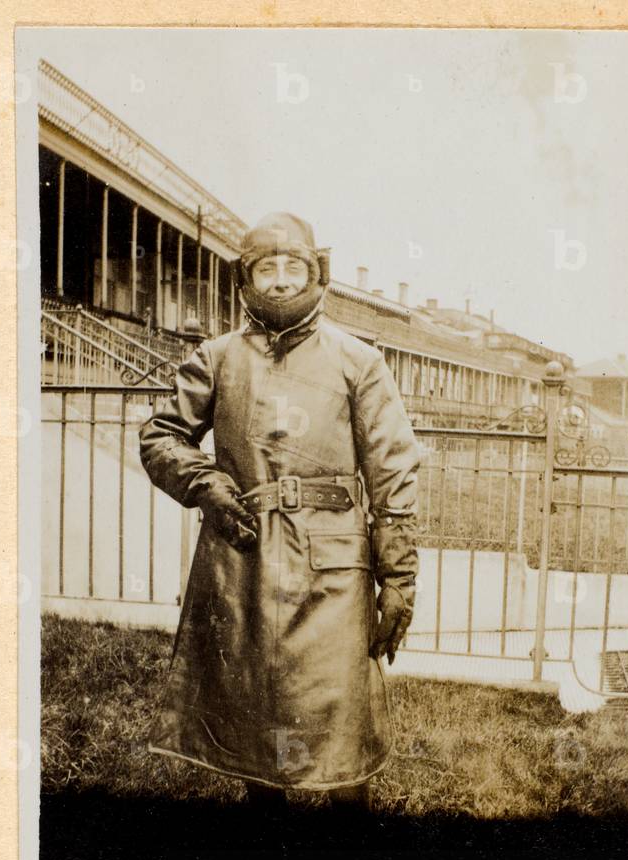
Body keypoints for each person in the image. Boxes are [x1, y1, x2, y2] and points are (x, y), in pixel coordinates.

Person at [139, 212, 419, 813]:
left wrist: (399, 579)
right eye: (267, 267)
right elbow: (161, 437)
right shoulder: (215, 359)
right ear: (245, 278)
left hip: (336, 567)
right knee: (253, 709)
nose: (282, 280)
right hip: (245, 558)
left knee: (340, 714)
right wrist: (205, 483)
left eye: (297, 266)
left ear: (319, 274)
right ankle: (263, 856)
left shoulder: (358, 361)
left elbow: (393, 472)